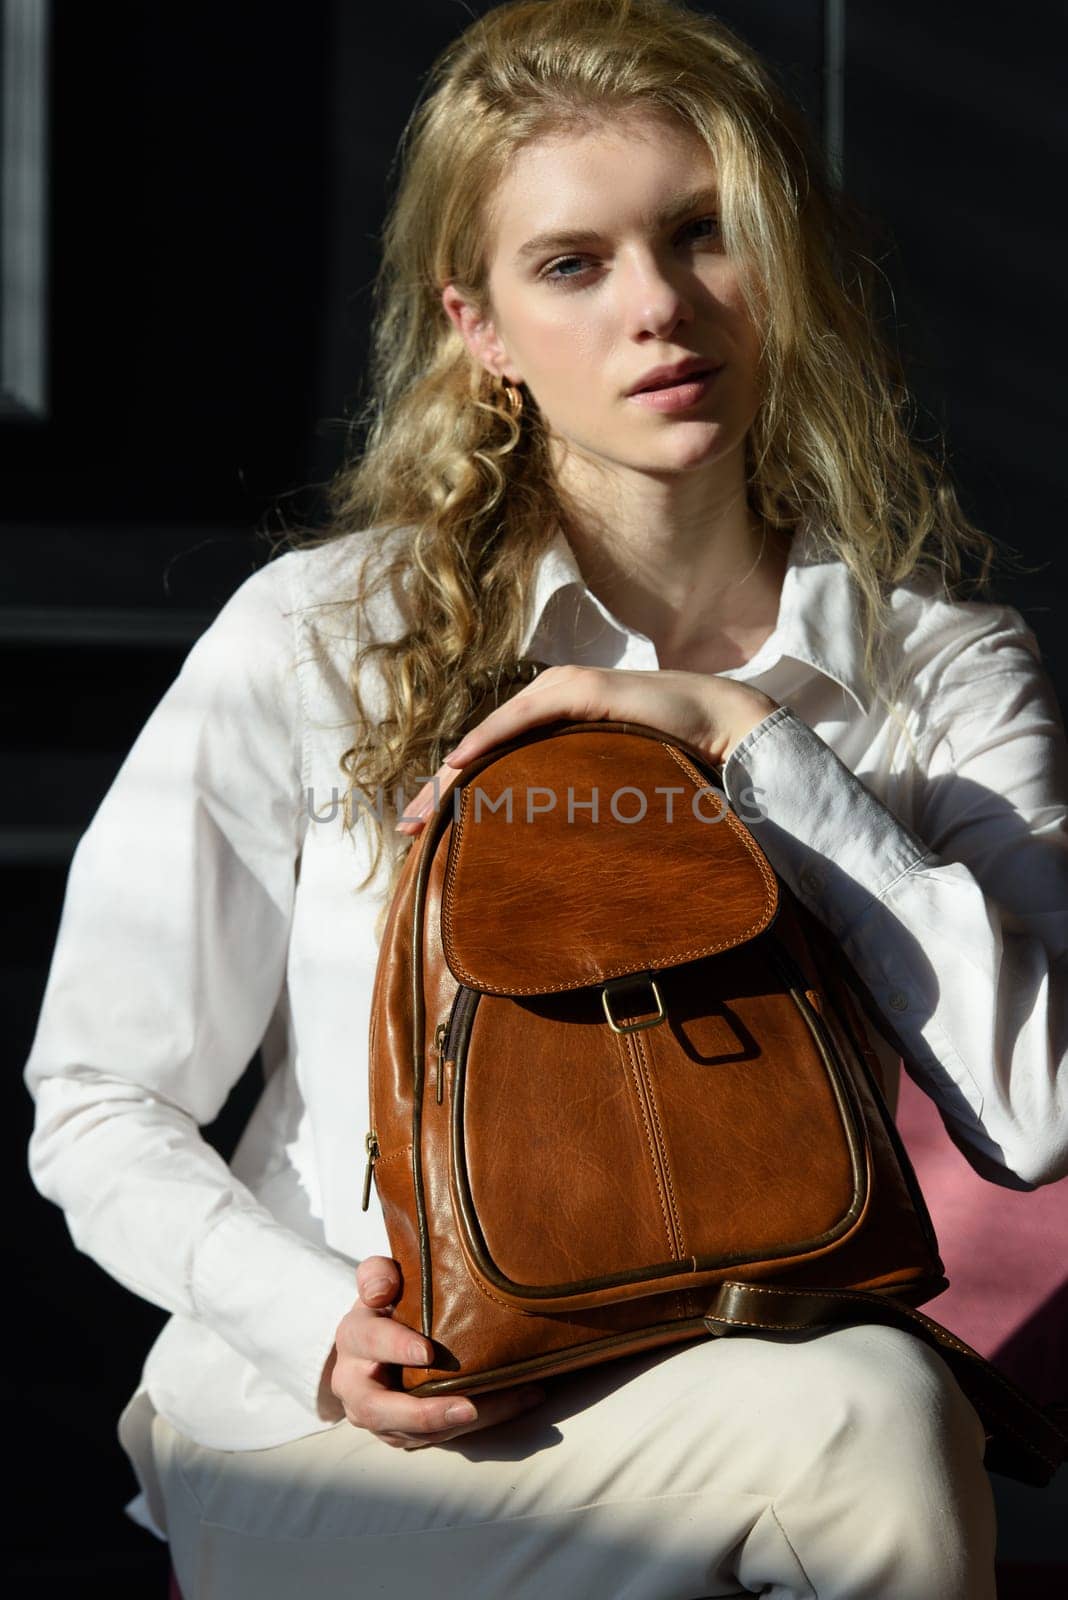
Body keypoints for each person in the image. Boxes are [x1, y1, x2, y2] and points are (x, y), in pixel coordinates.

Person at [23, 1, 1068, 1595]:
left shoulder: (939, 668)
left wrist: (750, 744)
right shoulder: (325, 638)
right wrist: (317, 1324)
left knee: (864, 1410)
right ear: (481, 329)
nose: (659, 306)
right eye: (572, 265)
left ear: (784, 261)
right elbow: (97, 1096)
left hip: (738, 1372)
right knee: (869, 1423)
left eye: (706, 234)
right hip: (356, 1424)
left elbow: (1041, 1112)